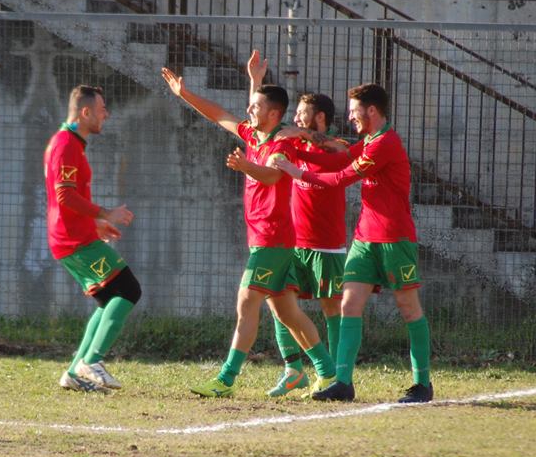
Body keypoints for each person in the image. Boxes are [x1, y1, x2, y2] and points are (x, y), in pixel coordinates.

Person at [162, 54, 336, 398]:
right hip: (266, 239)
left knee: (246, 302)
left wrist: (246, 167)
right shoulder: (253, 135)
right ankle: (328, 373)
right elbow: (218, 114)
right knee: (287, 312)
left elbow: (272, 175)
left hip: (274, 239)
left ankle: (225, 380)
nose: (248, 111)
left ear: (273, 114)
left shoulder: (282, 144)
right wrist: (185, 93)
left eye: (255, 107)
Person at [274, 83, 433, 404]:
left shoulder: (385, 143)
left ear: (371, 110)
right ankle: (343, 382)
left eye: (354, 111)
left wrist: (295, 170)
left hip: (394, 238)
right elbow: (339, 157)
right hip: (364, 238)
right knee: (348, 305)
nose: (349, 117)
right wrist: (297, 150)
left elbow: (342, 176)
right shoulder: (370, 140)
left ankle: (422, 383)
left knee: (408, 308)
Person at [248, 52, 348, 398]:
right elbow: (257, 124)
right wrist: (255, 81)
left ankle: (337, 374)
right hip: (293, 242)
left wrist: (303, 136)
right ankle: (293, 369)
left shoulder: (335, 147)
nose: (295, 119)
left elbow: (340, 151)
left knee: (331, 308)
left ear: (319, 117)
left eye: (302, 114)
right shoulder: (290, 142)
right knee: (279, 302)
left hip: (326, 244)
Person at [44, 85, 141, 393]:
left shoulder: (71, 142)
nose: (106, 115)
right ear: (85, 113)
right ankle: (92, 361)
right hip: (73, 240)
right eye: (101, 109)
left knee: (109, 298)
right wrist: (106, 213)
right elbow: (64, 195)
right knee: (128, 289)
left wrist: (94, 223)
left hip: (76, 235)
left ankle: (75, 372)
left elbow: (67, 198)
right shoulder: (66, 144)